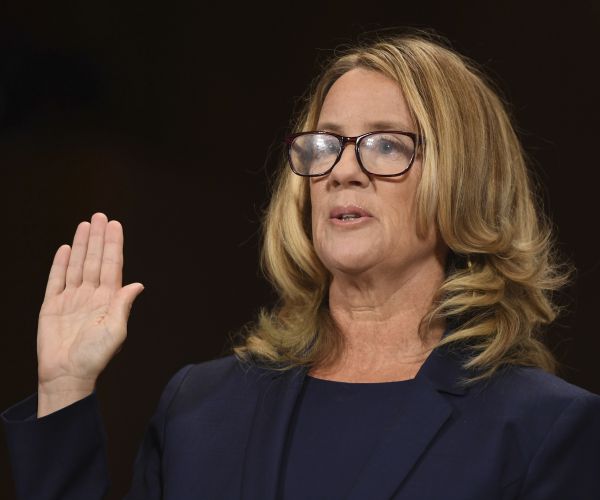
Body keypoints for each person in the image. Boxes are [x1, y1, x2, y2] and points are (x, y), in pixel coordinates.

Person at [3, 29, 600, 500]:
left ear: (465, 181)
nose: (343, 170)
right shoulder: (199, 406)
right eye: (325, 144)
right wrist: (65, 388)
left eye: (386, 144)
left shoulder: (543, 428)